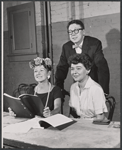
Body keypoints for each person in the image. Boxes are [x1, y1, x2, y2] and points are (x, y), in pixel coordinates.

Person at [55, 19, 110, 98]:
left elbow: (102, 67)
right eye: (70, 32)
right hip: (78, 87)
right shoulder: (66, 47)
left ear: (83, 32)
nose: (73, 34)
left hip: (94, 86)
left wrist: (103, 92)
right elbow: (61, 68)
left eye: (76, 31)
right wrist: (59, 89)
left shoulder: (94, 43)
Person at [68, 53, 108, 121]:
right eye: (72, 69)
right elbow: (73, 113)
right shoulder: (73, 87)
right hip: (79, 125)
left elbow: (100, 118)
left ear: (88, 70)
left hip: (95, 126)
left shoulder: (96, 89)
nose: (74, 72)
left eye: (78, 68)